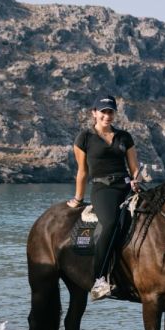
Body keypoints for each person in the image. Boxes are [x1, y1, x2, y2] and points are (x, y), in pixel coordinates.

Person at [67, 94, 140, 300]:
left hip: (126, 185)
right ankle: (99, 279)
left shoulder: (124, 137)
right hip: (103, 188)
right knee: (110, 224)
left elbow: (134, 167)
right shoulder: (84, 138)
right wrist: (78, 198)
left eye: (111, 112)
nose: (107, 116)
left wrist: (136, 179)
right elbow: (82, 171)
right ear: (94, 113)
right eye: (103, 111)